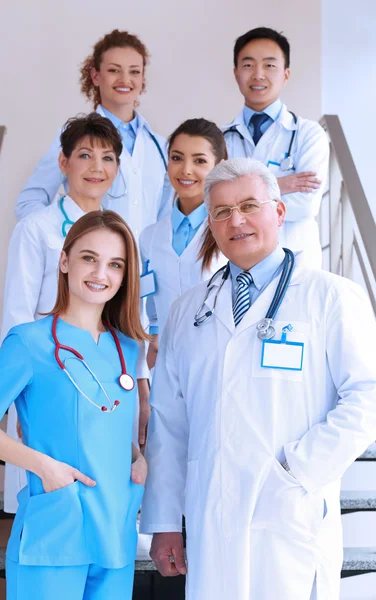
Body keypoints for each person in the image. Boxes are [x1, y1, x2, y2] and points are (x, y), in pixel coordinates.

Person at [140, 158, 376, 600]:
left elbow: (367, 398)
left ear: (280, 212)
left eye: (249, 205)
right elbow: (169, 423)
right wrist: (165, 521)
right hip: (211, 515)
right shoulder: (188, 311)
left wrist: (295, 471)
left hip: (291, 512)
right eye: (222, 211)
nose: (237, 220)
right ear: (210, 224)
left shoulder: (332, 297)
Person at [0, 210, 148, 600]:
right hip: (55, 529)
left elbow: (107, 422)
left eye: (115, 264)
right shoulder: (29, 343)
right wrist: (44, 467)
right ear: (65, 260)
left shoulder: (127, 347)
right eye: (89, 257)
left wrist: (137, 458)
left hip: (114, 533)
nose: (100, 273)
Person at [1, 112, 127, 514]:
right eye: (85, 155)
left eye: (108, 158)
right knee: (47, 499)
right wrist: (22, 395)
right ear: (63, 163)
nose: (97, 168)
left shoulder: (122, 231)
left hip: (101, 378)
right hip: (47, 378)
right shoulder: (38, 227)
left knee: (98, 497)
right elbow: (17, 315)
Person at [15, 29, 172, 240]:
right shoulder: (75, 136)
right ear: (96, 76)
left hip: (143, 269)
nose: (125, 79)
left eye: (134, 71)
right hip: (93, 263)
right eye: (114, 70)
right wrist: (66, 241)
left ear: (142, 78)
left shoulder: (160, 146)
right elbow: (29, 201)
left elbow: (163, 218)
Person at [223, 27, 329, 268]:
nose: (258, 74)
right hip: (239, 261)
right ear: (236, 73)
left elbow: (305, 205)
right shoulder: (221, 139)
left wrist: (240, 201)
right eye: (248, 65)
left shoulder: (308, 134)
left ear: (286, 74)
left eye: (269, 65)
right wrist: (278, 185)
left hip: (295, 258)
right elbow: (215, 204)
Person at [139, 118, 227, 368]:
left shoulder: (230, 232)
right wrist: (154, 336)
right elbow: (150, 300)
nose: (186, 170)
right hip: (165, 362)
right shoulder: (150, 237)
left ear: (219, 166)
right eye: (177, 158)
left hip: (216, 362)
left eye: (199, 161)